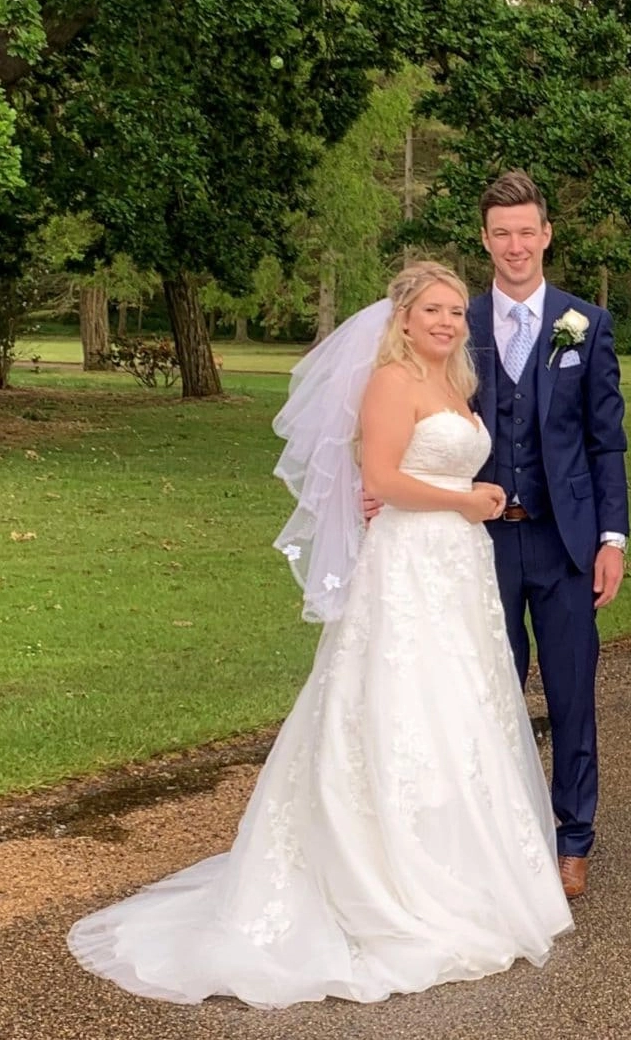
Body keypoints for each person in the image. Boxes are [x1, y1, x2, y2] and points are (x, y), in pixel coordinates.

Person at [66, 262, 573, 1009]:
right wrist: (469, 500)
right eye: (429, 311)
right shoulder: (391, 383)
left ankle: (469, 866)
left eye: (452, 313)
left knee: (462, 706)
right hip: (409, 564)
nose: (444, 322)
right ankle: (382, 873)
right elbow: (384, 478)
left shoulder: (455, 386)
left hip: (455, 567)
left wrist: (467, 507)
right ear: (402, 319)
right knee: (398, 703)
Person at [365, 171, 629, 900]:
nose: (515, 246)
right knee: (483, 693)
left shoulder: (585, 325)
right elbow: (398, 401)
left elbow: (608, 443)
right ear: (485, 240)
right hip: (474, 546)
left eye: (527, 231)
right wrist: (374, 479)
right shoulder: (454, 320)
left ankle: (573, 839)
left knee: (572, 693)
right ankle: (493, 837)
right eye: (500, 233)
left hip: (567, 541)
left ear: (546, 235)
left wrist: (613, 538)